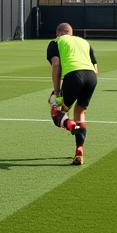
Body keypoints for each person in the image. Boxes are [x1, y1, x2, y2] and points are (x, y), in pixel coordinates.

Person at [46, 22, 98, 166]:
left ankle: (72, 127)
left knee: (57, 111)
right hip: (92, 78)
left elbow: (56, 64)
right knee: (80, 112)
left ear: (58, 33)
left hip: (74, 76)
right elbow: (96, 67)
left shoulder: (56, 42)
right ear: (71, 32)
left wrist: (57, 92)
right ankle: (79, 150)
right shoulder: (84, 42)